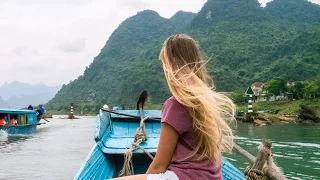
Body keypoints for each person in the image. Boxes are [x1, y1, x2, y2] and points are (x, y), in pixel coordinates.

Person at [113, 34, 236, 180]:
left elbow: (159, 166)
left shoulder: (176, 104)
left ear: (171, 66)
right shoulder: (207, 101)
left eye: (164, 63)